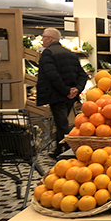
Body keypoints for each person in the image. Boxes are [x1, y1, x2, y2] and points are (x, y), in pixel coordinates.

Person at [36, 28, 88, 157]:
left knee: (61, 123)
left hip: (56, 94)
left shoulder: (48, 53)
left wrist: (65, 91)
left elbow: (51, 75)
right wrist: (76, 89)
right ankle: (60, 149)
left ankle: (65, 150)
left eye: (43, 37)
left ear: (50, 39)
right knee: (62, 122)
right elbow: (82, 75)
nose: (42, 40)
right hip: (69, 95)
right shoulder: (70, 54)